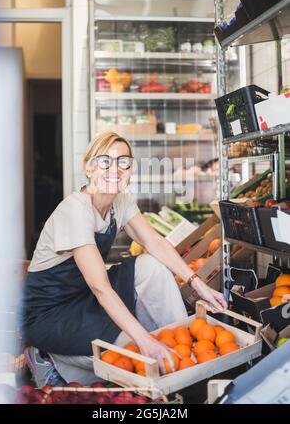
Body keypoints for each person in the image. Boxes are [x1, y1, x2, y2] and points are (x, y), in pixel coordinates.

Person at [21, 131, 227, 387]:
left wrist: (199, 284)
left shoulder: (122, 200)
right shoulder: (74, 210)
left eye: (123, 162)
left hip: (84, 296)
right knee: (131, 350)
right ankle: (49, 359)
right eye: (105, 161)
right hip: (51, 312)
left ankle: (181, 341)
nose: (114, 169)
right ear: (88, 167)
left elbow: (156, 243)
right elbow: (100, 287)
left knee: (151, 265)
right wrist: (144, 340)